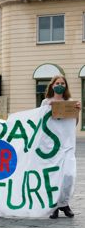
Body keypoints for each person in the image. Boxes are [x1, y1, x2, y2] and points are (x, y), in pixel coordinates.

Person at [41, 75, 81, 219]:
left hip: (67, 144)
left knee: (68, 175)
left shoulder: (70, 102)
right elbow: (40, 122)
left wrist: (77, 111)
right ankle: (55, 205)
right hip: (51, 145)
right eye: (57, 83)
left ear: (66, 86)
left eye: (62, 83)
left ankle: (64, 203)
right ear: (52, 85)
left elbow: (73, 124)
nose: (59, 85)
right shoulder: (46, 102)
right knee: (54, 175)